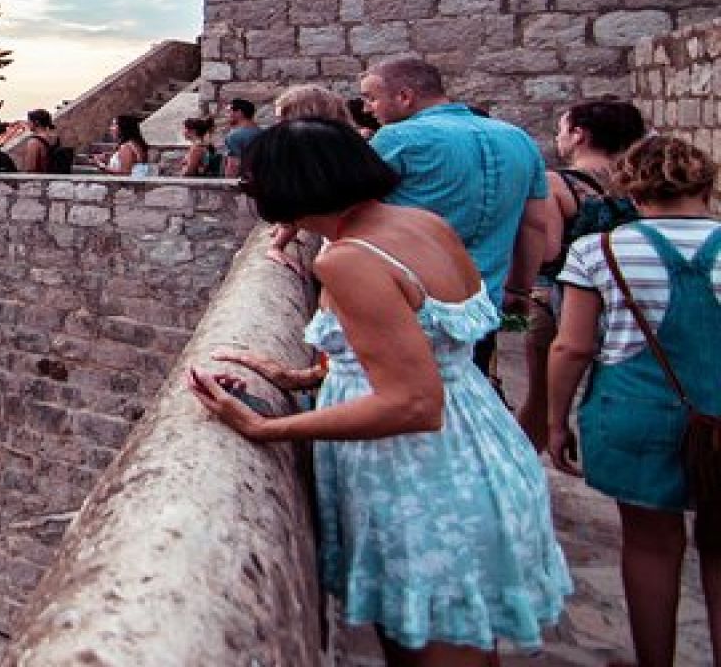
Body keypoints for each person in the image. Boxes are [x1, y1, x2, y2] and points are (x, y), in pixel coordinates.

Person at [192, 120, 570, 665]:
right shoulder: (425, 224)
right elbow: (427, 347)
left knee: (433, 654)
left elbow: (413, 403)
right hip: (480, 447)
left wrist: (266, 427)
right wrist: (304, 377)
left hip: (423, 477)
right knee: (464, 644)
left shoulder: (347, 260)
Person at [547, 135, 720, 667]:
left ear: (631, 189)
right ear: (706, 186)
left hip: (634, 412)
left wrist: (556, 422)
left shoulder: (599, 250)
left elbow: (572, 345)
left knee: (649, 543)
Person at [358, 56, 554, 382]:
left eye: (371, 98)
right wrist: (519, 289)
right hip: (484, 302)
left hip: (410, 308)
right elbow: (534, 224)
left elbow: (356, 210)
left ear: (404, 96)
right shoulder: (517, 138)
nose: (367, 109)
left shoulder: (395, 139)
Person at [515, 98, 646, 444]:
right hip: (627, 296)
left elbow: (549, 250)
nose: (558, 138)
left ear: (579, 135)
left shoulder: (557, 184)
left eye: (561, 129)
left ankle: (532, 462)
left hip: (561, 298)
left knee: (541, 396)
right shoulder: (640, 183)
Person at [264, 85, 357, 273]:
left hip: (347, 251)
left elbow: (300, 202)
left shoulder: (312, 156)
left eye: (282, 119)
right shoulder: (350, 147)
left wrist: (277, 246)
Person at [221, 98, 262, 177]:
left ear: (239, 112)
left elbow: (232, 166)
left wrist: (228, 183)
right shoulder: (262, 133)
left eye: (229, 111)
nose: (227, 115)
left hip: (241, 182)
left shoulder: (234, 136)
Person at [13, 109, 63, 174]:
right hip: (52, 179)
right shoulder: (55, 138)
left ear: (36, 122)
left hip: (40, 180)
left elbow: (30, 169)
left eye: (29, 121)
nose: (28, 123)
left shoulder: (34, 142)